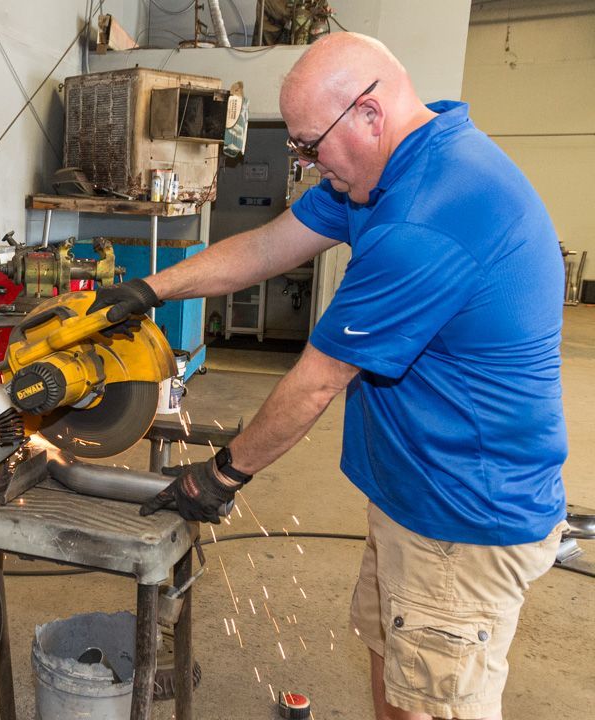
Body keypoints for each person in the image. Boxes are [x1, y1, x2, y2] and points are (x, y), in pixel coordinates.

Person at [89, 32, 568, 720]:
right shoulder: (385, 167)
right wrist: (149, 292)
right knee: (398, 688)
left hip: (463, 518)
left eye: (312, 146)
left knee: (433, 706)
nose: (309, 166)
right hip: (414, 497)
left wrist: (223, 474)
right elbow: (267, 245)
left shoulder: (429, 215)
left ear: (370, 114)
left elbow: (317, 381)